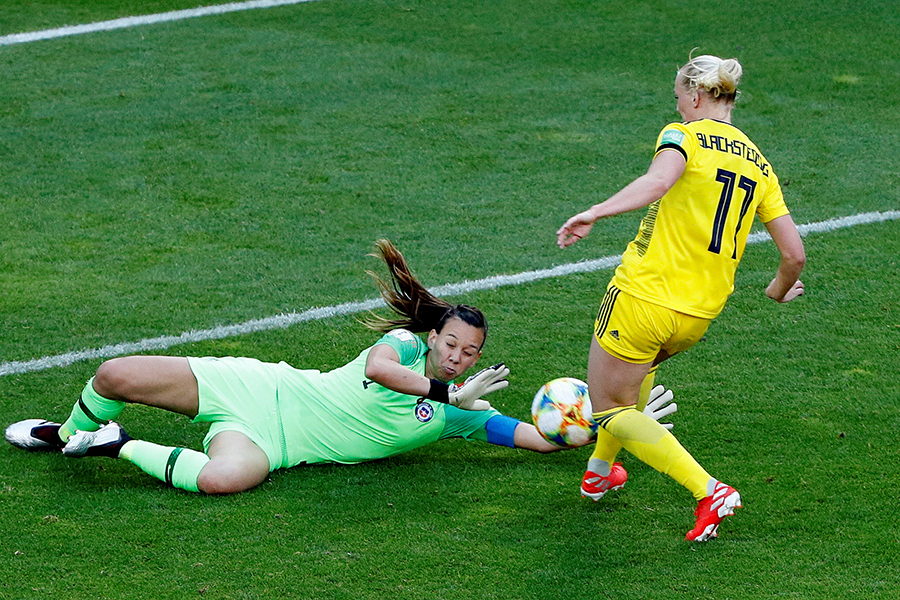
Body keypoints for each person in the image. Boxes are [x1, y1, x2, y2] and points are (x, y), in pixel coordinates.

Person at [556, 53, 806, 541]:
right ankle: (599, 471)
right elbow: (793, 254)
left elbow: (657, 182)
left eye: (678, 97)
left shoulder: (682, 135)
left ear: (695, 96)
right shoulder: (760, 164)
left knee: (608, 407)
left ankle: (708, 490)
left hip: (644, 297)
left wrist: (595, 212)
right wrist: (777, 290)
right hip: (698, 316)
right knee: (636, 375)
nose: (678, 105)